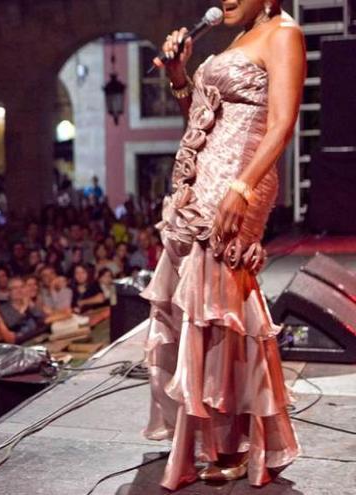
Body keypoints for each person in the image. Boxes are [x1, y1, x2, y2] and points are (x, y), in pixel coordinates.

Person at [144, 1, 304, 489]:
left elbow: (281, 124)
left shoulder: (283, 33)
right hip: (202, 180)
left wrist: (242, 188)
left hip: (239, 181)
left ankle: (230, 441)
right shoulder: (235, 40)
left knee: (219, 311)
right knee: (199, 309)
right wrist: (178, 76)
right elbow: (201, 117)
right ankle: (210, 439)